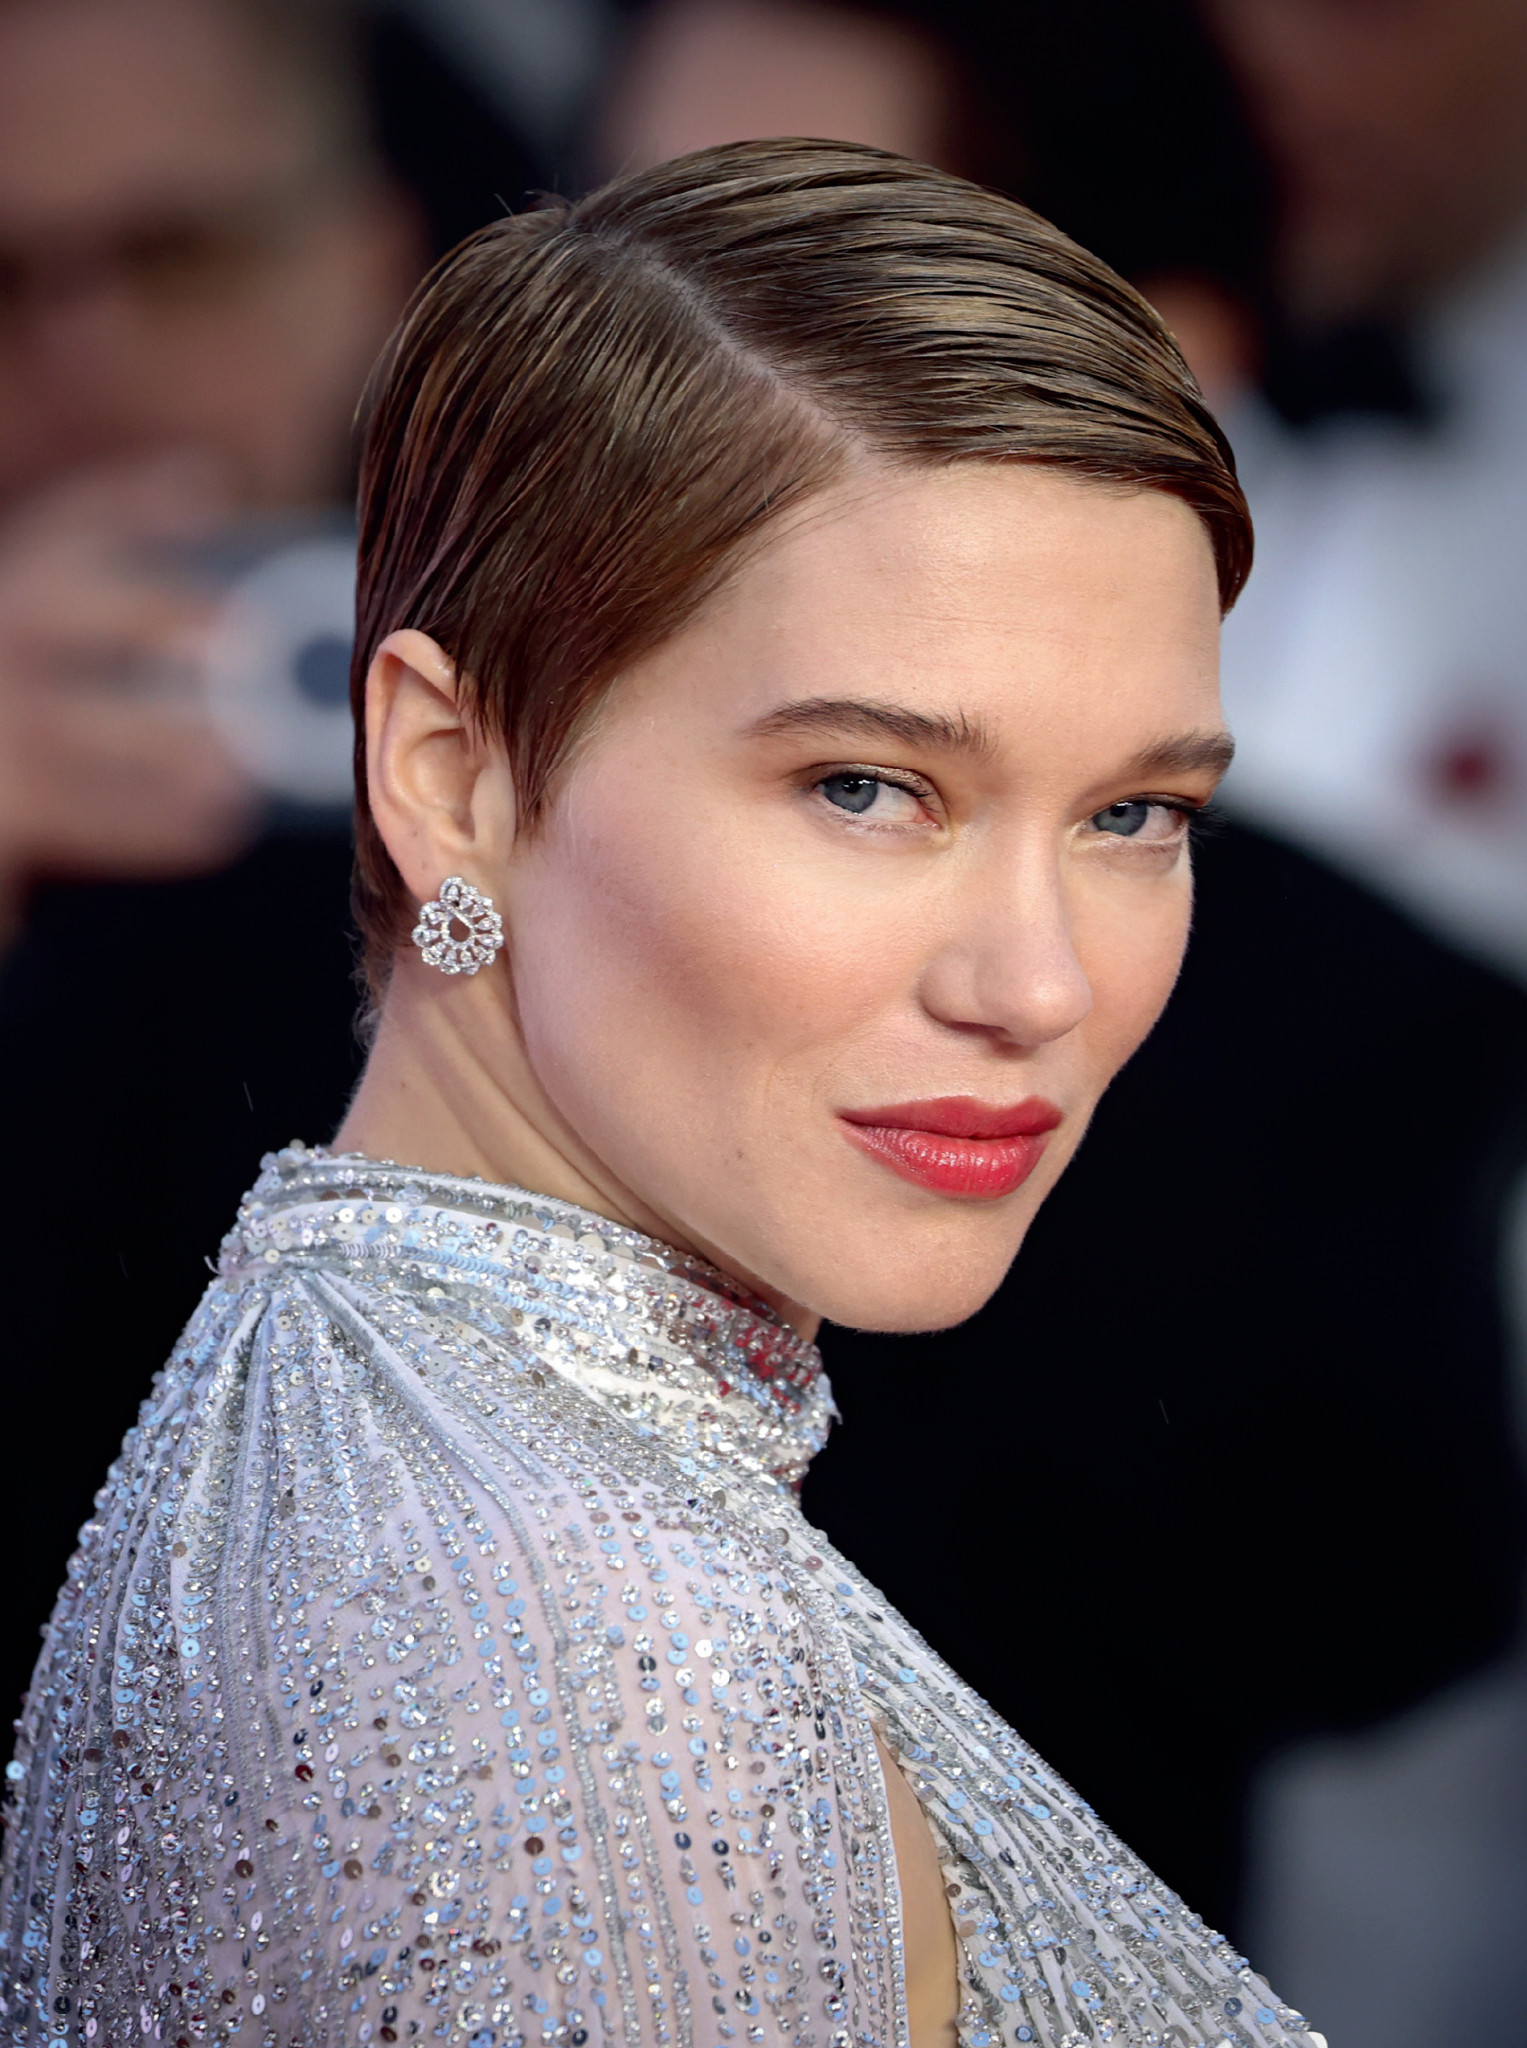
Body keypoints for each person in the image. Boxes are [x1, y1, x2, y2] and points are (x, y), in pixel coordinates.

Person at [0, 141, 1326, 2048]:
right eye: (869, 787)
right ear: (452, 774)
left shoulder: (367, 1442)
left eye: (1135, 814)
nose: (1039, 984)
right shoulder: (595, 1653)